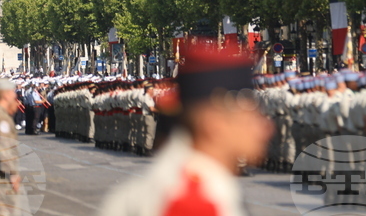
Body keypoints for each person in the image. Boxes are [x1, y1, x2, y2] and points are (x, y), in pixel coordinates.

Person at [99, 45, 273, 216]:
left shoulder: (192, 185)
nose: (266, 128)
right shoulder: (192, 203)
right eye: (252, 116)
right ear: (214, 124)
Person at [0, 78, 22, 216]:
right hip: (2, 173)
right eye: (13, 92)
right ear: (6, 94)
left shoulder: (0, 115)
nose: (15, 95)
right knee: (2, 210)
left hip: (2, 171)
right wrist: (12, 173)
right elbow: (3, 148)